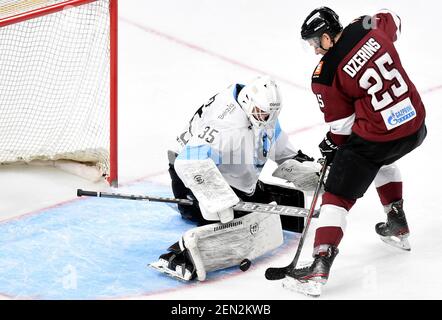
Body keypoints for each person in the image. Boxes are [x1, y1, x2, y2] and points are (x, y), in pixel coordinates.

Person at [290, 7, 427, 288]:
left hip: (380, 138)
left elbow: (342, 128)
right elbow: (394, 18)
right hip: (415, 126)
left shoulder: (325, 74)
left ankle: (319, 264)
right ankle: (396, 221)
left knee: (336, 196)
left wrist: (331, 145)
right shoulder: (367, 26)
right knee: (382, 159)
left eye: (316, 43)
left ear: (327, 37)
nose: (316, 51)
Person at [150, 75, 314, 281]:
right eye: (262, 114)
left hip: (226, 173)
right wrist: (218, 199)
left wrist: (304, 166)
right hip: (189, 178)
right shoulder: (225, 123)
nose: (266, 119)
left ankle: (243, 195)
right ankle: (179, 256)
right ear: (247, 102)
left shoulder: (261, 110)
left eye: (271, 115)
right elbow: (189, 162)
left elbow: (278, 143)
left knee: (271, 209)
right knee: (233, 219)